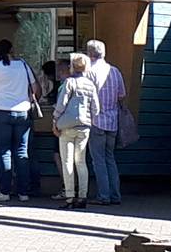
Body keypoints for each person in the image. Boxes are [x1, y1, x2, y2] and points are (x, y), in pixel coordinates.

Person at [0, 40, 36, 201]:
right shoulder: (23, 65)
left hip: (1, 112)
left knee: (4, 151)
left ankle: (5, 191)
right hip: (22, 112)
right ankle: (23, 192)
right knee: (22, 151)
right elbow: (35, 88)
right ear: (13, 49)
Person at [82, 38, 127, 206]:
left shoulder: (89, 71)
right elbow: (122, 95)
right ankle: (115, 195)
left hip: (95, 120)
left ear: (89, 53)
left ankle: (103, 195)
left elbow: (84, 96)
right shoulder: (114, 71)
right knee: (110, 158)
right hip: (112, 120)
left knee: (98, 160)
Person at [53, 51, 101, 210]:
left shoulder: (69, 83)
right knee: (81, 161)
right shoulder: (90, 84)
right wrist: (90, 120)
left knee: (67, 161)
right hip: (84, 127)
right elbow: (96, 108)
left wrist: (55, 121)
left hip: (67, 126)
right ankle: (83, 196)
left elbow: (61, 104)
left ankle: (69, 196)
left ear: (73, 66)